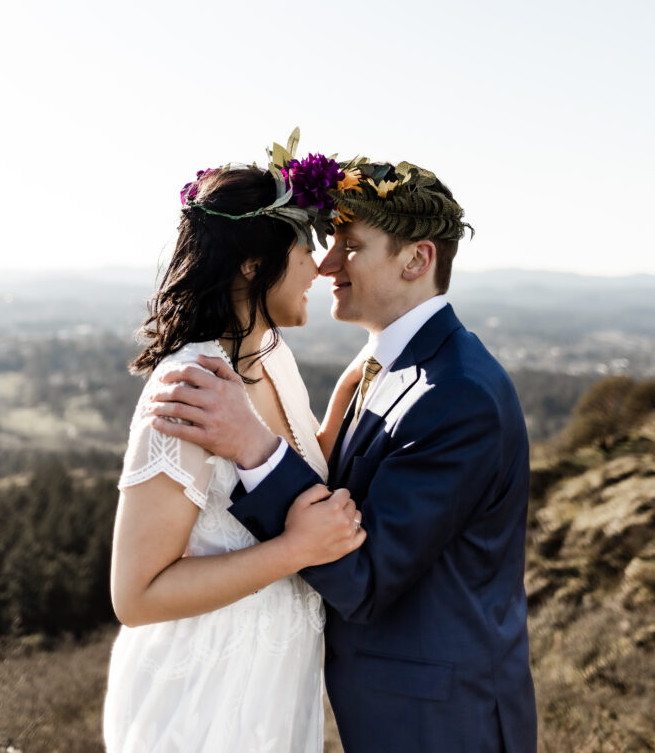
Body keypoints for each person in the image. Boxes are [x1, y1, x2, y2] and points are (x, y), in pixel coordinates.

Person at [150, 157, 538, 753]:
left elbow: (365, 578)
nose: (327, 264)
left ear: (416, 259)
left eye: (350, 247)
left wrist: (253, 445)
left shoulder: (457, 394)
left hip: (444, 724)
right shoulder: (382, 369)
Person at [103, 147, 368, 753]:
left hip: (275, 688)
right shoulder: (191, 387)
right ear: (253, 265)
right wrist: (295, 550)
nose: (320, 268)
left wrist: (347, 404)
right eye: (305, 250)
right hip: (199, 701)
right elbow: (137, 595)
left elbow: (285, 475)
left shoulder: (273, 355)